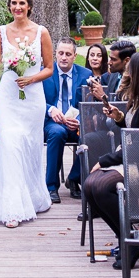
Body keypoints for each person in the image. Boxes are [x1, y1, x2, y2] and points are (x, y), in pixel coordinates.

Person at [81, 51, 139, 268]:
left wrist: (105, 160)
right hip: (131, 157)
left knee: (99, 187)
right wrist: (120, 118)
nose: (127, 73)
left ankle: (132, 242)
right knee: (90, 186)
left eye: (132, 69)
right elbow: (133, 131)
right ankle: (128, 238)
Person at [0, 0, 55, 225]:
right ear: (9, 6)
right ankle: (12, 209)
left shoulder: (41, 32)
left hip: (32, 99)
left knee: (30, 147)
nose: (17, 7)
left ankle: (32, 196)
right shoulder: (1, 32)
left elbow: (49, 68)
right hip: (8, 98)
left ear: (29, 6)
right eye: (13, 3)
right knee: (10, 146)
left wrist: (31, 78)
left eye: (22, 3)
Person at [38, 38, 91, 203]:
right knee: (57, 132)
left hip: (74, 123)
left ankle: (74, 179)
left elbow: (88, 105)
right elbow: (35, 100)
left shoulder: (85, 75)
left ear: (75, 56)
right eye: (60, 53)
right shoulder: (44, 73)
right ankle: (51, 187)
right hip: (51, 122)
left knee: (92, 136)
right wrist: (50, 109)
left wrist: (80, 120)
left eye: (68, 54)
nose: (64, 57)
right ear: (55, 54)